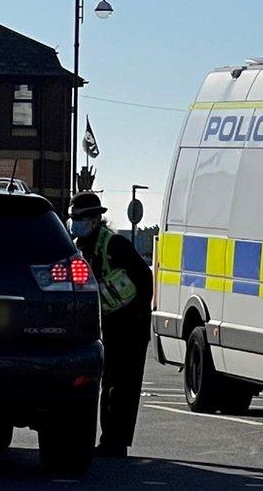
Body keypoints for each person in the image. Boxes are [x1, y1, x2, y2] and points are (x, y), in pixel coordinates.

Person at [68, 191, 153, 458]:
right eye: (73, 218)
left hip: (131, 327)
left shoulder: (114, 244)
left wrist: (136, 318)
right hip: (110, 325)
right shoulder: (81, 246)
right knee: (109, 381)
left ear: (94, 220)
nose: (75, 223)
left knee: (124, 384)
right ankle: (109, 439)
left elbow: (144, 278)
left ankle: (116, 442)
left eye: (80, 218)